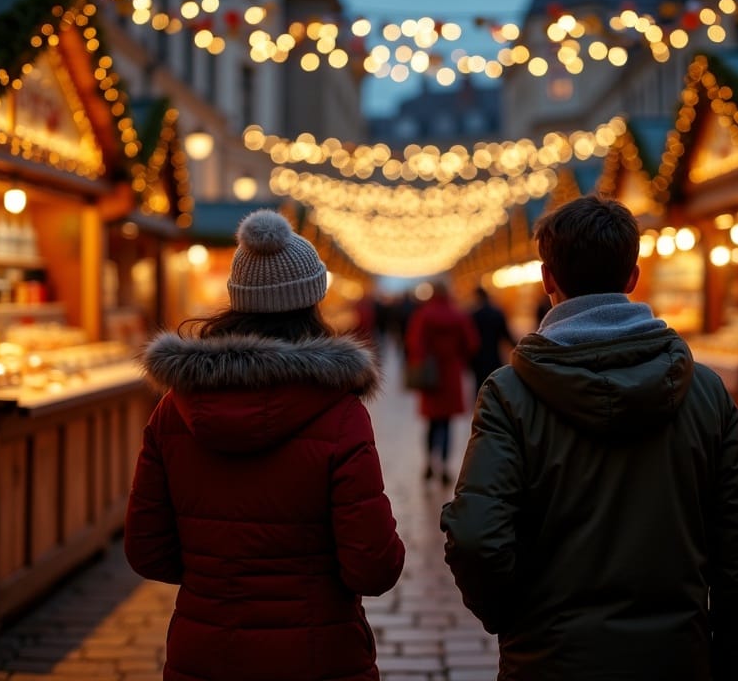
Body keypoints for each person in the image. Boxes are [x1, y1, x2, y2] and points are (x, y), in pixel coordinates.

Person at [441, 195, 738, 681]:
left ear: (547, 278)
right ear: (633, 277)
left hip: (551, 660)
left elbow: (475, 538)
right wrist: (732, 656)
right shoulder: (704, 390)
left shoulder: (510, 395)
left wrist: (516, 620)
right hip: (677, 656)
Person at [125, 209, 405, 681]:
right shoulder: (340, 413)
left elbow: (146, 550)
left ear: (237, 301)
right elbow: (374, 567)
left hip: (204, 653)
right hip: (319, 655)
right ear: (312, 300)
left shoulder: (174, 409)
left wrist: (216, 578)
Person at [405, 281, 479, 486]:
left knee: (431, 422)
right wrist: (459, 358)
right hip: (451, 373)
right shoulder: (459, 315)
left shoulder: (423, 315)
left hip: (431, 374)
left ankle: (429, 462)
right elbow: (472, 343)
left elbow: (414, 343)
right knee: (447, 423)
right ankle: (445, 465)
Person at [469, 285, 517, 400]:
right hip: (494, 355)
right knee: (495, 384)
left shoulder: (474, 315)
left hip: (478, 358)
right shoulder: (497, 313)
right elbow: (506, 335)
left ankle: (481, 410)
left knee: (480, 386)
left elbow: (469, 339)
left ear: (477, 297)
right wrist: (518, 346)